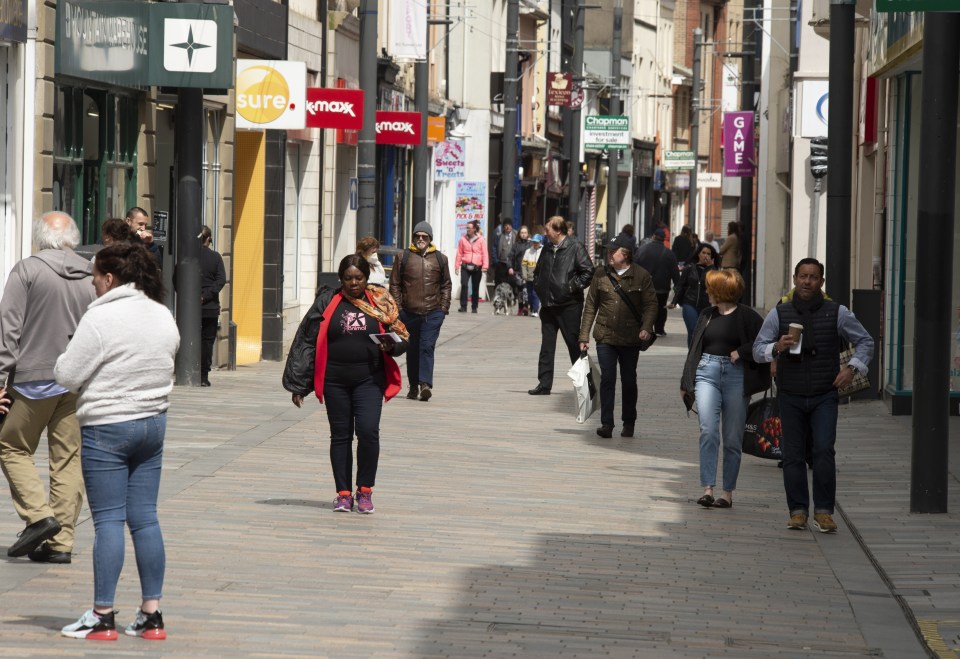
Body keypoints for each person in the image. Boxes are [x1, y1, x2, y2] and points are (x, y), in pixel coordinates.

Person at [55, 242, 180, 640]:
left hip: (108, 425)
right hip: (153, 424)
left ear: (110, 278)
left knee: (108, 519)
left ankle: (103, 614)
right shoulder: (162, 313)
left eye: (94, 276)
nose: (92, 284)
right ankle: (151, 614)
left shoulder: (101, 319)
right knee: (145, 518)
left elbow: (67, 374)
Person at [0, 212, 96, 564]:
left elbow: (8, 329)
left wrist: (0, 379)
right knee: (68, 458)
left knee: (11, 445)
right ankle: (62, 543)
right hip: (75, 379)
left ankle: (39, 517)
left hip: (32, 378)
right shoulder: (91, 274)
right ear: (73, 238)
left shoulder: (27, 270)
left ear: (40, 238)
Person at [753, 258, 874, 533]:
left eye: (813, 277)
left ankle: (824, 512)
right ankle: (797, 510)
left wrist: (852, 369)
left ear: (821, 282)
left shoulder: (838, 312)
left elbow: (866, 341)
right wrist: (775, 348)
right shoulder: (779, 313)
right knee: (793, 454)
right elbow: (758, 348)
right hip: (791, 393)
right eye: (803, 276)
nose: (807, 281)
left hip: (824, 393)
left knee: (823, 450)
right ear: (794, 279)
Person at [283, 254, 408, 514]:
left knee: (368, 431)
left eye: (358, 278)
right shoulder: (328, 301)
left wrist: (392, 345)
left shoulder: (380, 301)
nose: (353, 283)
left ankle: (365, 490)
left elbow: (403, 337)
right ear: (341, 279)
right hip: (334, 381)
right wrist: (299, 383)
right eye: (348, 278)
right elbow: (306, 340)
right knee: (340, 436)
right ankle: (343, 493)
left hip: (369, 379)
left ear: (367, 277)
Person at [681, 270, 770, 509]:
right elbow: (695, 348)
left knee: (732, 438)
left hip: (737, 376)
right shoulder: (706, 315)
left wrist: (741, 352)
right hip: (706, 372)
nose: (707, 292)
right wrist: (685, 382)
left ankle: (727, 493)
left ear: (721, 291)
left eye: (710, 288)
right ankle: (707, 489)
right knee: (708, 430)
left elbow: (765, 342)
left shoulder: (748, 317)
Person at [578, 235, 658, 438]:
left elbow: (651, 305)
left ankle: (629, 422)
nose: (609, 254)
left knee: (629, 380)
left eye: (614, 251)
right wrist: (584, 336)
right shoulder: (600, 274)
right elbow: (590, 307)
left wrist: (647, 327)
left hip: (631, 337)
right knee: (607, 378)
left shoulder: (642, 276)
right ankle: (607, 424)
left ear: (627, 254)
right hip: (605, 335)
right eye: (608, 250)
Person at [528, 216, 594, 395]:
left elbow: (588, 271)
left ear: (558, 231)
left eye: (548, 229)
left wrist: (570, 287)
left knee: (574, 345)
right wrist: (539, 287)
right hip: (548, 305)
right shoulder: (548, 247)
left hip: (569, 305)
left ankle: (584, 385)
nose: (545, 232)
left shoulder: (575, 247)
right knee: (546, 347)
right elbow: (539, 270)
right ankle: (544, 384)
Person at [389, 221, 452, 401]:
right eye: (418, 236)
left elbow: (446, 284)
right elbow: (395, 284)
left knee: (426, 347)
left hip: (433, 313)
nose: (421, 239)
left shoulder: (440, 259)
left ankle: (425, 384)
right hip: (408, 313)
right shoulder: (403, 257)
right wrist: (399, 309)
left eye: (425, 236)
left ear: (430, 239)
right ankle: (414, 385)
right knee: (412, 349)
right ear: (413, 237)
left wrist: (443, 308)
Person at [669, 242, 720, 347]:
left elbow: (717, 284)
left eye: (708, 254)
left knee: (701, 333)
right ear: (698, 254)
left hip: (705, 305)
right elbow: (681, 285)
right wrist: (674, 301)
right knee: (693, 330)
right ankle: (691, 357)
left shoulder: (712, 270)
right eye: (703, 252)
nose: (705, 255)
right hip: (689, 303)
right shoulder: (689, 268)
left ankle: (698, 355)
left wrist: (711, 267)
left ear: (711, 256)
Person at [634, 227, 679, 336]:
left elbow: (634, 267)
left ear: (653, 237)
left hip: (644, 285)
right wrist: (678, 291)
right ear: (664, 239)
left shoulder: (642, 250)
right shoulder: (669, 253)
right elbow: (675, 274)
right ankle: (659, 329)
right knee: (661, 308)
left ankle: (644, 328)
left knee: (644, 307)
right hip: (662, 287)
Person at [199, 226, 226, 387]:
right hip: (209, 307)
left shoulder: (188, 256)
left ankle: (190, 370)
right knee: (207, 341)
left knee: (192, 339)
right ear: (208, 239)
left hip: (190, 308)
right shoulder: (215, 257)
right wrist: (206, 295)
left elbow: (177, 278)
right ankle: (203, 376)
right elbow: (221, 280)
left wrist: (190, 297)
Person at [454, 220, 488, 313]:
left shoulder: (481, 240)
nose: (467, 229)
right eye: (467, 228)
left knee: (475, 286)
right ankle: (463, 306)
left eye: (469, 228)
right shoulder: (462, 239)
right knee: (464, 284)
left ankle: (474, 307)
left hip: (477, 266)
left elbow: (485, 253)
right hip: (465, 265)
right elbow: (459, 253)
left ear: (474, 229)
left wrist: (485, 266)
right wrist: (457, 266)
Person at [508, 225, 532, 314]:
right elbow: (510, 257)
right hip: (518, 270)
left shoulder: (531, 244)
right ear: (519, 234)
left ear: (528, 233)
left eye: (525, 233)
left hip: (528, 271)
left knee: (526, 289)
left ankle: (526, 306)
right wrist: (510, 267)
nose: (523, 234)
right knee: (520, 290)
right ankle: (520, 307)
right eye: (522, 232)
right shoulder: (516, 245)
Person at [521, 234, 544, 317]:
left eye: (536, 242)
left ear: (540, 242)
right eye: (533, 242)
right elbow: (524, 265)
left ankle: (535, 310)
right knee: (529, 294)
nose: (535, 244)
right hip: (529, 277)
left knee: (535, 293)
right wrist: (524, 275)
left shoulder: (543, 251)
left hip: (538, 277)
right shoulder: (528, 251)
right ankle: (532, 308)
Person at [494, 220, 515, 286]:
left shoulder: (516, 235)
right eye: (505, 225)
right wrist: (496, 260)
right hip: (501, 263)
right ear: (503, 227)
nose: (507, 227)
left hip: (512, 264)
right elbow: (494, 247)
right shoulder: (499, 236)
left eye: (509, 225)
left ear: (512, 226)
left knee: (512, 283)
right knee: (500, 283)